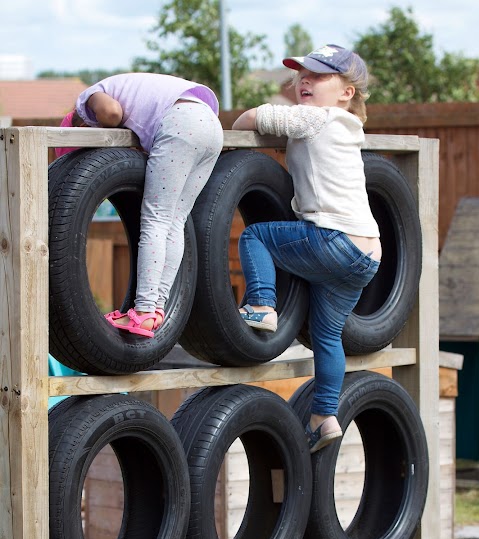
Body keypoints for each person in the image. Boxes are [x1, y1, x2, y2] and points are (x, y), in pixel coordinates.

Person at [232, 45, 381, 453]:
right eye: (301, 75)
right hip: (366, 254)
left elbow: (251, 118)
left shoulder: (314, 119)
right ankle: (325, 416)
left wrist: (244, 132)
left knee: (256, 237)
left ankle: (261, 303)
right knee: (327, 335)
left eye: (319, 76)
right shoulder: (348, 127)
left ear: (347, 91)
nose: (305, 81)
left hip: (332, 239)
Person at [57, 73, 223, 338]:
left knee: (156, 219)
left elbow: (110, 113)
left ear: (79, 123)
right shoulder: (120, 87)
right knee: (174, 220)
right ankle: (156, 308)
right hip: (211, 126)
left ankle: (144, 310)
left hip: (180, 124)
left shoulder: (87, 99)